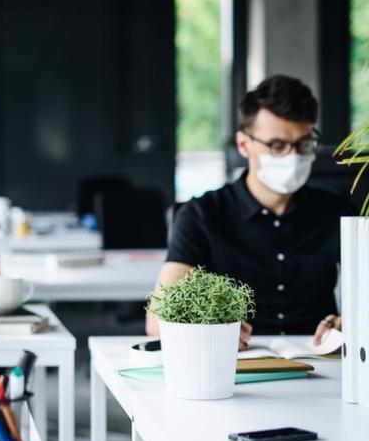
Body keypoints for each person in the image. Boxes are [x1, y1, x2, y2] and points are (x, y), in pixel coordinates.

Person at [145, 75, 354, 347]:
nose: (292, 157)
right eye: (277, 146)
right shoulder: (202, 215)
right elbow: (158, 321)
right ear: (244, 144)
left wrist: (352, 323)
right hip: (235, 366)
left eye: (303, 144)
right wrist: (213, 331)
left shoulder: (337, 212)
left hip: (324, 364)